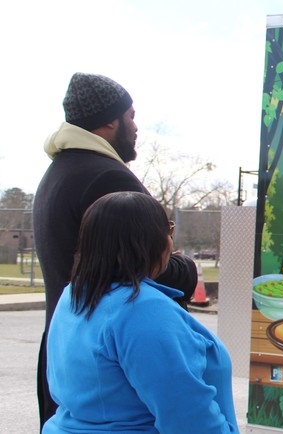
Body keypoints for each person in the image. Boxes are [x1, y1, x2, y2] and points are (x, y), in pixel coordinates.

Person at [32, 72, 197, 427]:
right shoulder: (109, 178)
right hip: (108, 368)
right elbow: (139, 266)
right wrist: (186, 269)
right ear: (109, 121)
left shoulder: (57, 172)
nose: (136, 127)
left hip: (67, 353)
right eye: (130, 116)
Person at [44, 191, 237, 433]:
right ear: (152, 242)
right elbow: (187, 414)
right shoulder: (142, 309)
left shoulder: (74, 295)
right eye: (169, 230)